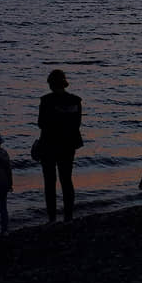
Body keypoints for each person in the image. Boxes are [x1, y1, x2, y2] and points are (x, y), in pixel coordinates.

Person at [37, 70, 83, 223]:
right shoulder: (76, 101)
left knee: (49, 182)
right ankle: (68, 216)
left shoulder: (46, 100)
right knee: (66, 180)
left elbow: (41, 124)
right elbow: (77, 123)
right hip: (68, 145)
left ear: (51, 84)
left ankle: (52, 218)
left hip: (49, 145)